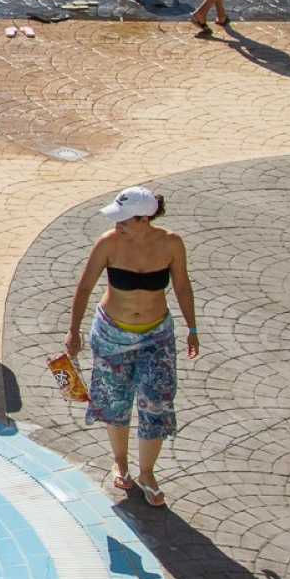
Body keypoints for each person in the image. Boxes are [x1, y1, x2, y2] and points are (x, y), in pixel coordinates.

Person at [62, 186, 198, 505]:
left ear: (143, 219)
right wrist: (73, 331)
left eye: (124, 221)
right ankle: (120, 461)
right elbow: (84, 286)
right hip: (111, 334)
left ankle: (147, 473)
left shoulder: (171, 243)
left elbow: (182, 284)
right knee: (115, 400)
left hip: (157, 336)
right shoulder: (108, 243)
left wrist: (192, 328)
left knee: (157, 403)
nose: (117, 225)